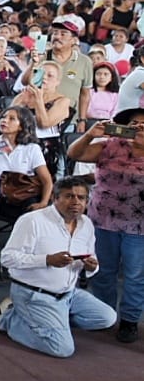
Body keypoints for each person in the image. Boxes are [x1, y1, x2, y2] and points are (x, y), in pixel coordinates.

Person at [0, 176, 116, 357]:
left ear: (87, 202)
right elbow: (7, 258)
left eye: (81, 198)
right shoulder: (33, 221)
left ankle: (52, 321)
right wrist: (46, 260)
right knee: (62, 348)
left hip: (69, 294)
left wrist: (92, 266)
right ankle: (8, 318)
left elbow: (91, 257)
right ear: (55, 198)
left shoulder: (86, 225)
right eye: (69, 196)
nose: (75, 202)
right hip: (34, 293)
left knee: (107, 318)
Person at [65, 108, 144, 342]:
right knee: (101, 271)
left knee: (136, 275)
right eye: (135, 122)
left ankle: (129, 321)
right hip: (102, 220)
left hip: (139, 225)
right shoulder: (110, 145)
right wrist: (91, 134)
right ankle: (102, 313)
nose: (139, 126)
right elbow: (74, 153)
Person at [0, 106, 52, 224]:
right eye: (3, 117)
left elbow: (47, 181)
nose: (4, 120)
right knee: (31, 219)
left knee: (37, 213)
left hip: (25, 195)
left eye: (11, 119)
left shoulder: (32, 148)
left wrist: (44, 203)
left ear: (21, 126)